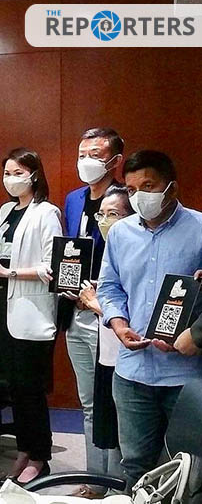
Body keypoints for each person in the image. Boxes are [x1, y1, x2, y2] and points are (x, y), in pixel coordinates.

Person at [98, 151, 202, 488]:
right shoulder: (120, 233)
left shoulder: (200, 229)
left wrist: (195, 334)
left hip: (187, 375)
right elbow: (109, 286)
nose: (139, 196)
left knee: (188, 472)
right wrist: (118, 323)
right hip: (133, 372)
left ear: (171, 188)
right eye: (131, 190)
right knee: (135, 467)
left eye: (148, 186)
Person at [0, 148, 62, 486]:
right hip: (2, 309)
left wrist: (8, 272)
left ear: (34, 175)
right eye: (7, 173)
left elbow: (51, 268)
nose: (11, 179)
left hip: (31, 312)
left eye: (18, 173)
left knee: (31, 390)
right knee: (14, 388)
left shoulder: (47, 213)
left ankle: (40, 457)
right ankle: (23, 451)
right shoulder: (5, 211)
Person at [61, 128, 125, 498]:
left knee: (112, 402)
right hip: (76, 310)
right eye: (82, 153)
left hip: (111, 314)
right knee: (88, 402)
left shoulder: (124, 200)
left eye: (96, 155)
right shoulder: (73, 200)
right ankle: (93, 480)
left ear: (115, 161)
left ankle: (116, 482)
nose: (86, 161)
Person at [74, 186, 133, 495]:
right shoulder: (109, 250)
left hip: (129, 352)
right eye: (101, 215)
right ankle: (100, 485)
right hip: (106, 350)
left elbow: (134, 307)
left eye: (114, 214)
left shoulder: (137, 249)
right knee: (104, 419)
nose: (105, 221)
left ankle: (119, 492)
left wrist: (96, 303)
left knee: (124, 426)